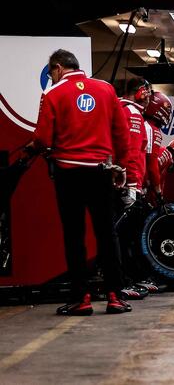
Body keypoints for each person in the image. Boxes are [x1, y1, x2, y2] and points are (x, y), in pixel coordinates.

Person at [31, 49, 131, 315]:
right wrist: (123, 167)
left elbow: (42, 138)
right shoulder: (106, 90)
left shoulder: (53, 94)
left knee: (75, 236)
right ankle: (114, 295)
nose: (51, 78)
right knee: (107, 234)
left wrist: (42, 149)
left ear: (58, 67)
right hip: (100, 172)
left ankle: (82, 298)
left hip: (69, 173)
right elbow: (121, 134)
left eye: (51, 73)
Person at [118, 78, 151, 208]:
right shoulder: (133, 113)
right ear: (141, 93)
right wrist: (132, 185)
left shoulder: (119, 107)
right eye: (148, 94)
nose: (149, 99)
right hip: (126, 184)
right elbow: (131, 153)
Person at [142, 91, 172, 204]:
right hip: (135, 179)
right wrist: (158, 190)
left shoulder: (141, 121)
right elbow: (151, 163)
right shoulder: (152, 129)